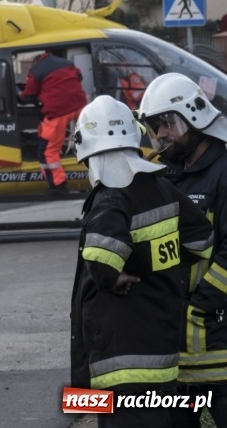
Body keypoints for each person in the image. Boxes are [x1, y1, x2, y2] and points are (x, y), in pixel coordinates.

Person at [71, 95, 213, 428]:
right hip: (160, 348)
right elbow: (201, 240)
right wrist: (153, 263)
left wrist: (115, 276)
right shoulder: (162, 187)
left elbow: (101, 260)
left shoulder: (109, 195)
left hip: (120, 357)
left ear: (85, 148)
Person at [138, 73, 227, 427]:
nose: (161, 134)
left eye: (168, 123)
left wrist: (201, 304)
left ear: (194, 116)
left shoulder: (223, 172)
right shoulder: (164, 175)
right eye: (154, 126)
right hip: (174, 350)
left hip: (219, 343)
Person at [19, 51, 88, 195]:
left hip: (58, 112)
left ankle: (58, 185)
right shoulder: (67, 63)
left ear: (35, 62)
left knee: (46, 151)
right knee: (90, 142)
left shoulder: (36, 70)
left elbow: (28, 95)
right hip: (80, 107)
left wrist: (23, 95)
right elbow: (79, 78)